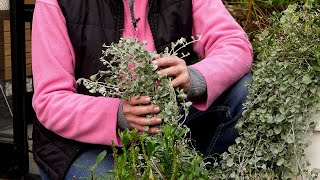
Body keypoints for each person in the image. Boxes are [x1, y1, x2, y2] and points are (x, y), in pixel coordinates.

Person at [31, 0, 253, 179]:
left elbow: (234, 43)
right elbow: (50, 100)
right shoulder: (54, 4)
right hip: (81, 145)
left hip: (166, 125)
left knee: (243, 91)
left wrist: (195, 78)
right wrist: (117, 114)